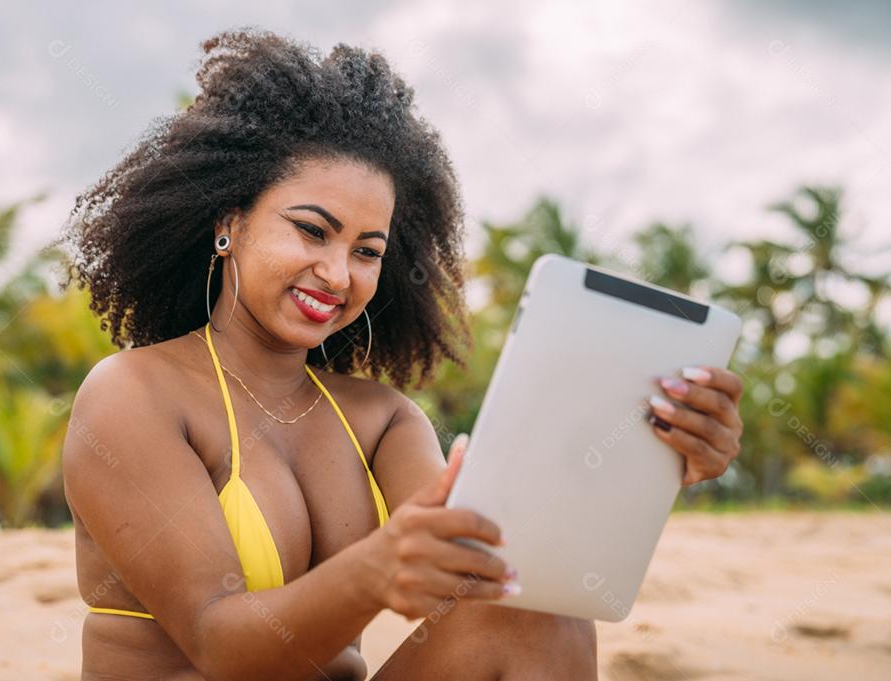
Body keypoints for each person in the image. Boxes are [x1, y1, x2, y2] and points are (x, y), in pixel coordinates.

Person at [59, 27, 744, 681]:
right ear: (228, 222)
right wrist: (375, 569)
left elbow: (492, 562)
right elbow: (218, 644)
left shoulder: (382, 420)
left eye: (366, 251)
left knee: (536, 615)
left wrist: (656, 457)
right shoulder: (134, 393)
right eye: (311, 230)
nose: (336, 273)